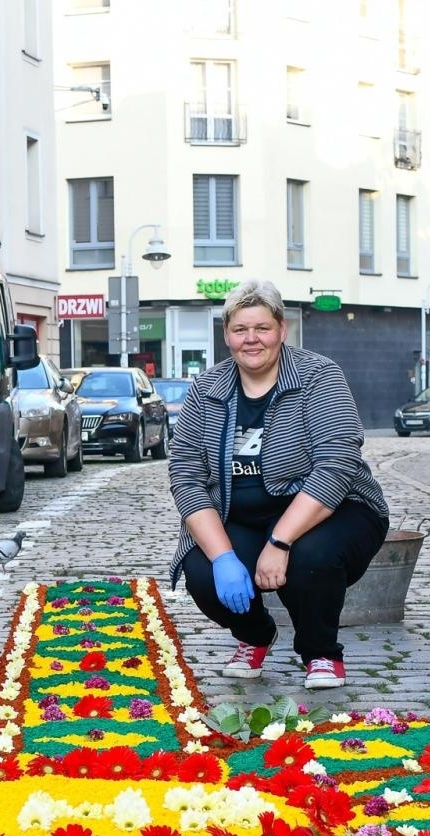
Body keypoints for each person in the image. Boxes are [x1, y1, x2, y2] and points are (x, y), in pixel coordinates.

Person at [168, 279, 389, 688]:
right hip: (242, 515)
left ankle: (320, 652)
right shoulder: (206, 390)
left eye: (262, 328)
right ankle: (255, 634)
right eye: (240, 329)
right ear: (227, 336)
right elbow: (186, 474)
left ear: (282, 330)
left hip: (331, 510)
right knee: (202, 570)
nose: (251, 339)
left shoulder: (318, 376)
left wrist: (280, 542)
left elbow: (336, 464)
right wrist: (223, 557)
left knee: (310, 557)